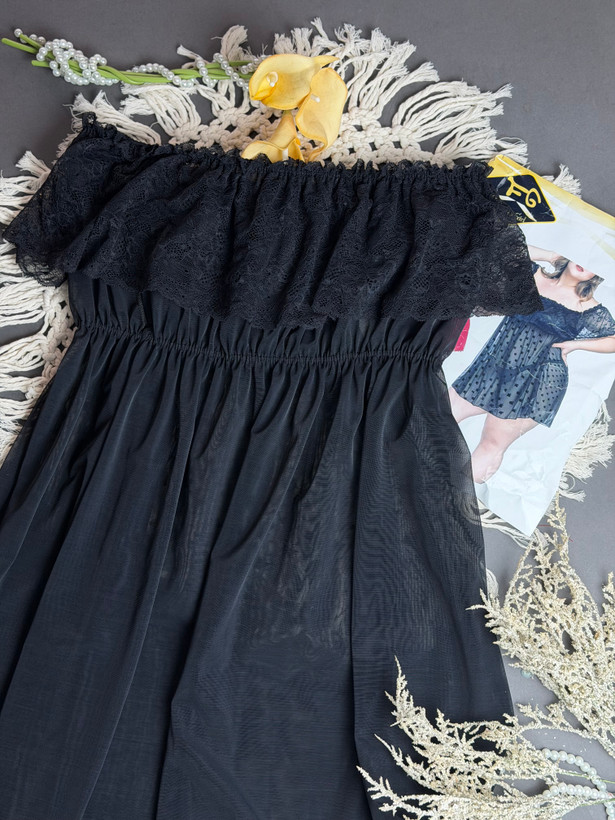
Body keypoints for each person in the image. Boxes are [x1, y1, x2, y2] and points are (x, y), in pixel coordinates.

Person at [449, 243, 615, 483]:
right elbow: (502, 245)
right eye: (584, 257)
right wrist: (552, 255)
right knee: (441, 413)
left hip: (539, 381)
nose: (584, 265)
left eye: (593, 265)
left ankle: (452, 497)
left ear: (597, 275)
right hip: (494, 368)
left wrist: (575, 345)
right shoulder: (532, 275)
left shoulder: (587, 307)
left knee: (492, 442)